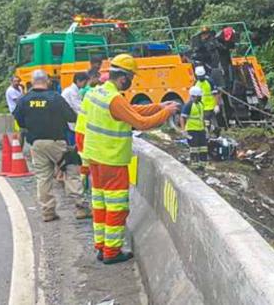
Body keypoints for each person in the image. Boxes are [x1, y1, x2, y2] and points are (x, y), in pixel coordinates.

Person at [82, 54, 178, 264]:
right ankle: (112, 252)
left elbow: (130, 112)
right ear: (123, 78)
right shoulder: (114, 99)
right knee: (117, 207)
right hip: (112, 160)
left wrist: (158, 107)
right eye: (132, 78)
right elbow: (141, 123)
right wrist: (167, 112)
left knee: (101, 205)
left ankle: (101, 246)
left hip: (95, 158)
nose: (132, 82)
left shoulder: (97, 92)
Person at [13, 70, 88, 222]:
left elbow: (18, 120)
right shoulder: (55, 98)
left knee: (43, 177)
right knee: (71, 169)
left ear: (33, 82)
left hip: (36, 143)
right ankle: (80, 207)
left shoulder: (24, 99)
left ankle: (48, 211)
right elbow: (71, 116)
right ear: (47, 81)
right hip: (56, 141)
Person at [181, 86, 208, 168]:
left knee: (203, 147)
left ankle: (202, 165)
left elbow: (202, 117)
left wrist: (205, 127)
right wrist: (183, 130)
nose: (201, 97)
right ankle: (195, 166)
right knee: (194, 148)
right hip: (192, 129)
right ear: (194, 96)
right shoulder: (188, 105)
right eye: (199, 96)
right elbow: (182, 117)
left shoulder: (200, 104)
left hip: (201, 129)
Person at [62, 72, 89, 145]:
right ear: (78, 81)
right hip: (70, 122)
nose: (86, 84)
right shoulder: (72, 92)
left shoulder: (72, 90)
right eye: (85, 82)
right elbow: (78, 107)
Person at [193, 66, 219, 133]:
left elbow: (215, 94)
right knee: (208, 121)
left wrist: (216, 105)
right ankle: (213, 131)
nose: (200, 78)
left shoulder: (209, 81)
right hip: (202, 106)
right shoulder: (196, 83)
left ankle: (212, 132)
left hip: (210, 105)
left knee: (208, 121)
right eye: (199, 76)